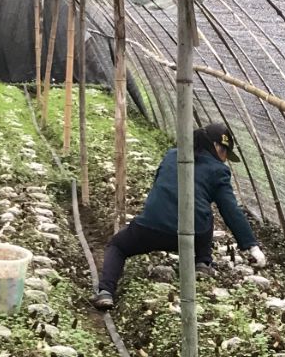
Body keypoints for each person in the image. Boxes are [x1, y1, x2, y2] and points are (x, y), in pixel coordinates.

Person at [93, 121, 266, 308]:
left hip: (150, 227)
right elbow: (230, 210)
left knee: (118, 245)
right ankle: (202, 262)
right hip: (190, 237)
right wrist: (252, 246)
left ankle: (106, 292)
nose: (224, 159)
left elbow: (158, 187)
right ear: (215, 146)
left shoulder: (171, 156)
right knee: (206, 215)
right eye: (224, 152)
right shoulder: (218, 171)